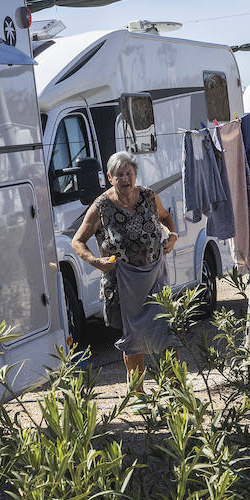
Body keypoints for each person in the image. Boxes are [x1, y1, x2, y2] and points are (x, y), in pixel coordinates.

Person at [71, 150, 178, 385]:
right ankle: (137, 393)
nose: (125, 179)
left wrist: (172, 236)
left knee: (166, 332)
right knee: (133, 337)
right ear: (110, 178)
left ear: (135, 174)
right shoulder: (101, 206)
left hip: (154, 278)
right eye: (119, 175)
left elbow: (167, 219)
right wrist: (94, 261)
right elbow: (77, 241)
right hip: (121, 283)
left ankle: (176, 389)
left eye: (128, 173)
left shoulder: (149, 197)